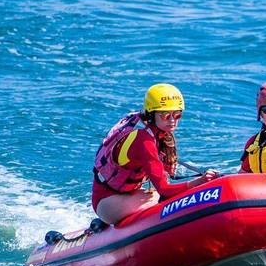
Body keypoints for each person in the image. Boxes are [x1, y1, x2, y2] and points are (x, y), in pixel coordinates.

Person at [92, 83, 218, 225]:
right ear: (152, 114)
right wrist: (199, 182)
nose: (172, 121)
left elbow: (164, 178)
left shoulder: (153, 128)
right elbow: (164, 189)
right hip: (107, 200)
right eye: (165, 115)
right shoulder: (143, 140)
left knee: (160, 197)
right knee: (164, 201)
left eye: (177, 115)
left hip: (130, 194)